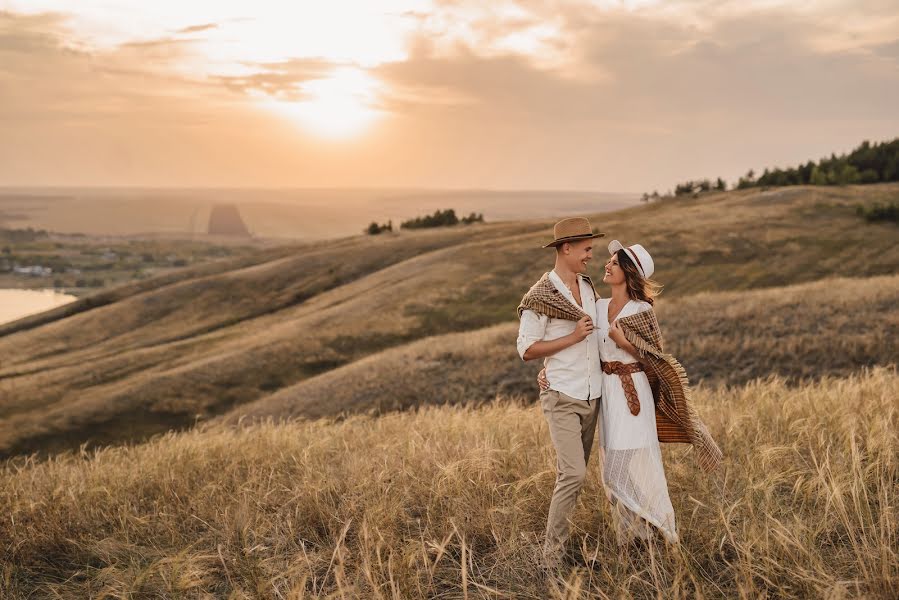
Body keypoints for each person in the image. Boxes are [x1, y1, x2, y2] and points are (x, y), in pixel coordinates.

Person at [538, 240, 723, 547]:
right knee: (613, 457)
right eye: (608, 260)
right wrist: (550, 369)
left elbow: (654, 357)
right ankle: (633, 537)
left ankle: (661, 527)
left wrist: (622, 342)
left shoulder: (641, 310)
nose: (606, 265)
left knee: (628, 461)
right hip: (607, 392)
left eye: (614, 262)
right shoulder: (596, 307)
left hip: (633, 391)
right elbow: (582, 348)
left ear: (628, 272)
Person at [516, 216, 606, 568]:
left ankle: (563, 548)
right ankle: (551, 559)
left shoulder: (587, 287)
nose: (590, 256)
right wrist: (572, 337)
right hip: (562, 396)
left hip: (591, 396)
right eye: (586, 249)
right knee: (573, 474)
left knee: (573, 473)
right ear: (566, 248)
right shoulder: (540, 295)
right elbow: (526, 349)